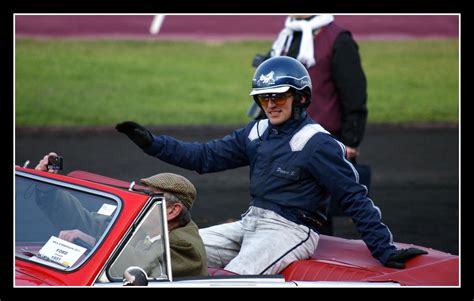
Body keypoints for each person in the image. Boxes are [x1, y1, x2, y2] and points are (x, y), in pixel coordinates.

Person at [115, 56, 427, 275]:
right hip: (250, 223)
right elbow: (205, 157)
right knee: (167, 249)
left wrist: (385, 249)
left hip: (292, 231)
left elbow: (354, 197)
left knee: (233, 280)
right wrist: (152, 144)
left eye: (278, 96)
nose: (271, 104)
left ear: (301, 99)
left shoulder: (317, 143)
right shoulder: (257, 131)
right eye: (264, 98)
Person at [250, 15, 369, 235]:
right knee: (279, 208)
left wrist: (349, 142)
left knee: (317, 214)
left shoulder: (338, 39)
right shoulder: (288, 34)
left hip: (320, 143)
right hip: (283, 140)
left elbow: (354, 94)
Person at [34, 153, 208, 278]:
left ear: (172, 211)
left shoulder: (185, 247)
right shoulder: (143, 228)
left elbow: (141, 265)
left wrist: (93, 243)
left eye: (148, 197)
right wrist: (48, 189)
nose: (139, 201)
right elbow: (89, 223)